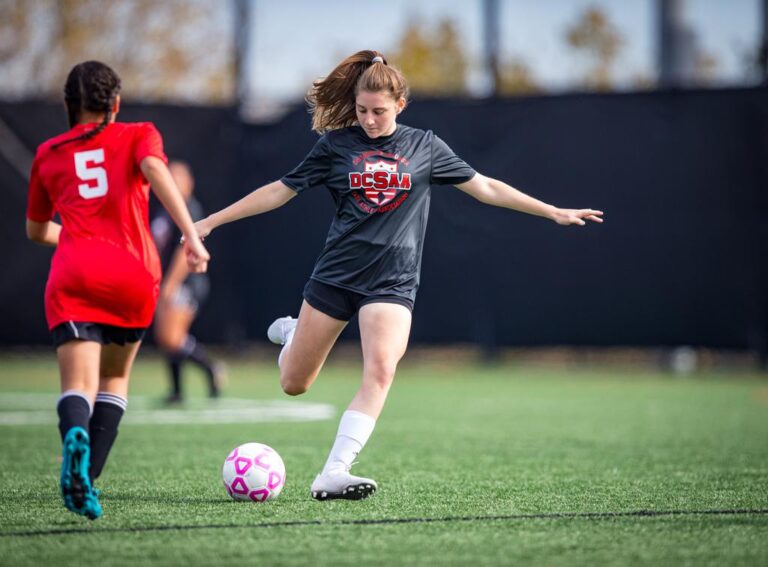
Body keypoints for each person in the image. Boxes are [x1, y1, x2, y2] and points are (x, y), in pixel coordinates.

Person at [193, 50, 602, 501]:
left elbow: (485, 187)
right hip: (336, 275)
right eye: (362, 110)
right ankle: (294, 335)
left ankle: (334, 471)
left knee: (382, 370)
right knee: (294, 383)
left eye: (379, 111)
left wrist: (551, 211)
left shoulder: (425, 146)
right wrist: (211, 221)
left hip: (392, 282)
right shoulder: (335, 147)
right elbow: (279, 191)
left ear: (400, 105)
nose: (369, 120)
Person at [26, 61, 209, 520]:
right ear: (116, 104)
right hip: (132, 276)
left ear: (70, 105)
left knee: (77, 386)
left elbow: (35, 229)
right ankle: (86, 480)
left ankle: (74, 438)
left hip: (73, 275)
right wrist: (191, 235)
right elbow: (155, 170)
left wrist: (70, 238)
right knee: (113, 381)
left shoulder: (48, 152)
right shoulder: (138, 133)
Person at [152, 161, 223, 403]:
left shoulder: (188, 209)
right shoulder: (165, 209)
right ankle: (177, 391)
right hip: (166, 281)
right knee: (166, 337)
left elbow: (187, 250)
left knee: (172, 337)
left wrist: (170, 284)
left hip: (187, 282)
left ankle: (211, 368)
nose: (172, 183)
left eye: (178, 178)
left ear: (189, 183)